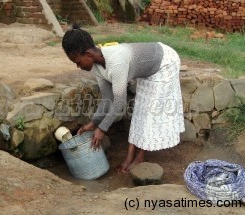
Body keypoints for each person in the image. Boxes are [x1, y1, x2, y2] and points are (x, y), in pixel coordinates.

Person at [62, 24, 185, 173]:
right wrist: (93, 123)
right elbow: (108, 97)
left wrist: (102, 129)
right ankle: (130, 155)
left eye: (78, 62)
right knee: (140, 112)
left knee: (149, 114)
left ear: (88, 54)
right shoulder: (96, 66)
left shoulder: (117, 62)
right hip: (148, 70)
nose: (78, 66)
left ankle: (139, 157)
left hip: (164, 63)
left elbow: (119, 101)